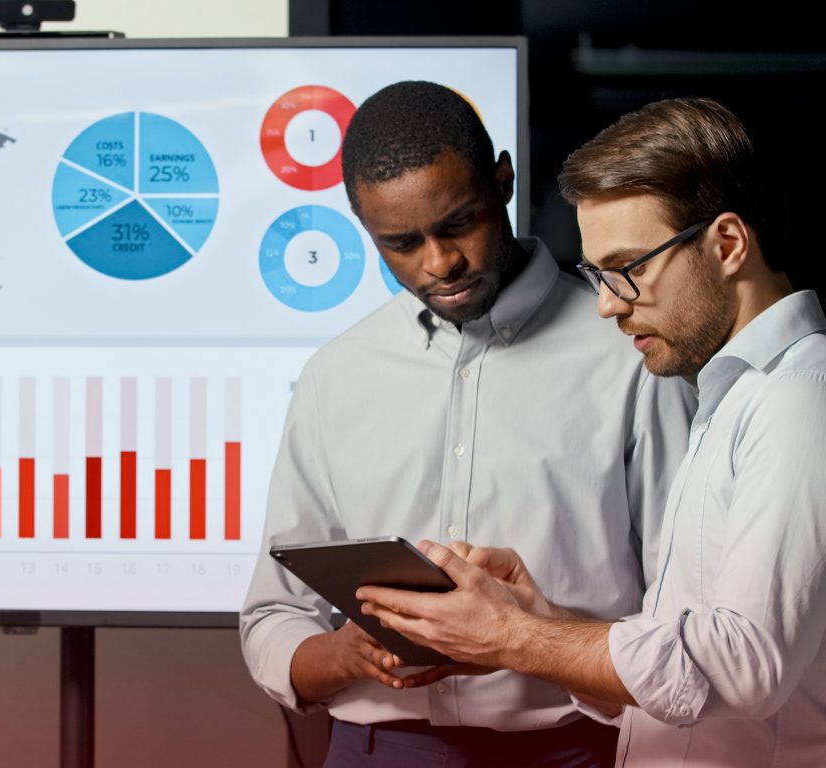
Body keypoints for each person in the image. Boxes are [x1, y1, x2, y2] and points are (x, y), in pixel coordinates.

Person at [357, 97, 826, 767]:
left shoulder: (800, 398)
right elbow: (684, 654)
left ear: (726, 245)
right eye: (597, 273)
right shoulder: (732, 395)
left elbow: (742, 665)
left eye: (628, 267)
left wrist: (513, 639)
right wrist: (542, 623)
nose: (606, 303)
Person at [239, 81, 696, 767]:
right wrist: (342, 653)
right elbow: (273, 617)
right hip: (373, 747)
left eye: (458, 224)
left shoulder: (631, 355)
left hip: (572, 747)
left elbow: (685, 608)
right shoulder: (338, 373)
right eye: (400, 243)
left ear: (503, 181)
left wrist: (535, 638)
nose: (439, 264)